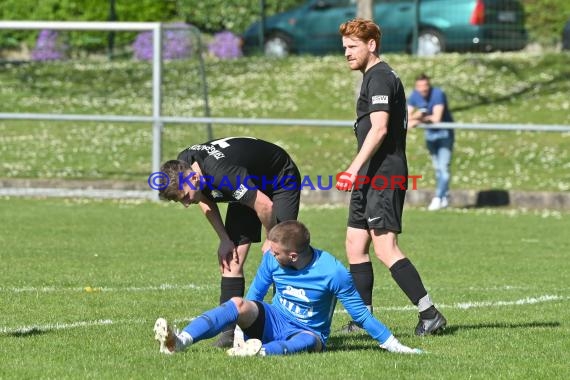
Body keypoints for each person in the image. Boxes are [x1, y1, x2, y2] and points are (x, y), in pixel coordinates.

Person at [153, 220, 422, 356]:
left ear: (292, 256)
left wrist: (395, 345)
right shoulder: (272, 260)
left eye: (276, 250)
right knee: (237, 304)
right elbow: (255, 297)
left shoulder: (333, 272)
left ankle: (259, 352)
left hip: (310, 332)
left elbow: (361, 316)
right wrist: (238, 328)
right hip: (274, 319)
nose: (269, 251)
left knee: (306, 341)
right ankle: (180, 341)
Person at [336, 18, 447, 336]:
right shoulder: (371, 77)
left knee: (385, 247)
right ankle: (362, 319)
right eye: (344, 47)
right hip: (368, 175)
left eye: (353, 46)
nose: (347, 53)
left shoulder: (380, 77)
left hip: (383, 175)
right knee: (355, 244)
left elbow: (381, 128)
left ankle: (429, 314)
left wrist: (353, 167)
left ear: (371, 45)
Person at [158, 136, 301, 347]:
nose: (187, 204)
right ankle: (228, 335)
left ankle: (289, 326)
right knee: (230, 260)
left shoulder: (222, 173)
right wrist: (224, 239)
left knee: (281, 255)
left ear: (193, 180)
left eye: (186, 197)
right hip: (248, 183)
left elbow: (266, 206)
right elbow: (204, 200)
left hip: (278, 178)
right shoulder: (186, 164)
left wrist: (273, 239)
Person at [407, 73, 455, 211]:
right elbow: (405, 116)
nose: (423, 89)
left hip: (444, 134)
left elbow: (437, 118)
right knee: (437, 168)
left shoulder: (438, 94)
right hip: (431, 136)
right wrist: (417, 117)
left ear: (429, 85)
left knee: (443, 168)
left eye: (425, 85)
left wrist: (417, 119)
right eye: (420, 86)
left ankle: (438, 198)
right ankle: (445, 197)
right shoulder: (414, 95)